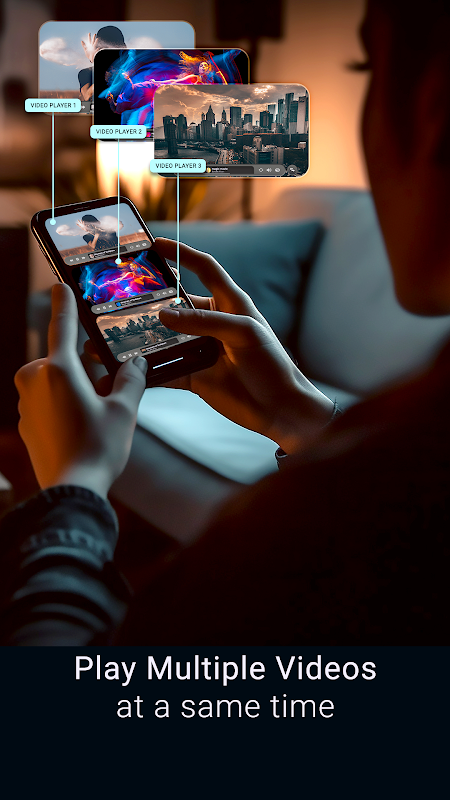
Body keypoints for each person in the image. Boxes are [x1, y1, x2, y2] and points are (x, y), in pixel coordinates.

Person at [1, 0, 449, 645]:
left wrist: (75, 486)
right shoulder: (412, 455)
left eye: (365, 68)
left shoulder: (299, 547)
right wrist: (301, 418)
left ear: (431, 111)